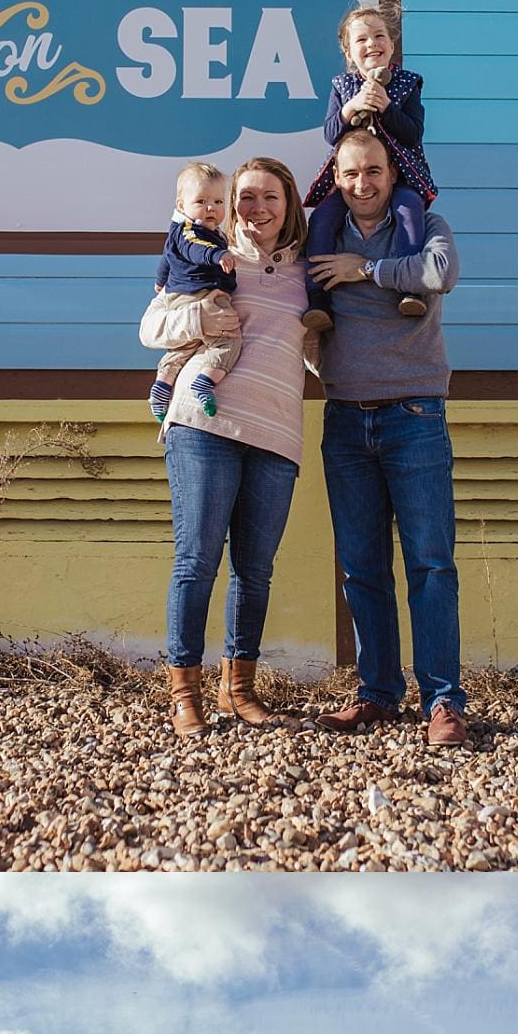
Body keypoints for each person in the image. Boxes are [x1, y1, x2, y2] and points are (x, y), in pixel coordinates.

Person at [139, 156, 312, 735]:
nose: (257, 208)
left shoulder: (307, 271)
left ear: (289, 204)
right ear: (228, 204)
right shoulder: (211, 260)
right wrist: (203, 314)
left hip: (277, 431)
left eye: (270, 197)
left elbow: (319, 351)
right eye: (246, 198)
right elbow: (150, 330)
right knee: (197, 561)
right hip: (204, 425)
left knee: (255, 572)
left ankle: (237, 690)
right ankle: (183, 691)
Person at [309, 127, 468, 749]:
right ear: (337, 176)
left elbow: (440, 272)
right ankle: (377, 693)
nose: (362, 183)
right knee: (361, 566)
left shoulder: (425, 225)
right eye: (350, 173)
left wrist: (366, 269)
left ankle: (443, 701)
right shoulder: (324, 231)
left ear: (391, 173)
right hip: (346, 417)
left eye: (372, 171)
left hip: (415, 415)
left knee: (431, 563)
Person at [302, 0, 435, 332]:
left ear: (391, 45)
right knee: (322, 218)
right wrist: (351, 110)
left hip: (399, 173)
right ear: (349, 53)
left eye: (379, 36)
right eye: (361, 40)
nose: (371, 44)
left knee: (408, 209)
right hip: (355, 177)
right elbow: (332, 134)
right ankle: (318, 298)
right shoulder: (342, 87)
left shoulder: (407, 84)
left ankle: (409, 289)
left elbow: (413, 133)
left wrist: (388, 108)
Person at [148, 160, 241, 422]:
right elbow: (194, 248)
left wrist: (161, 280)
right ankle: (205, 381)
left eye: (218, 202)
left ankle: (162, 386)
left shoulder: (180, 231)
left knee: (184, 346)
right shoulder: (191, 232)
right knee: (228, 339)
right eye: (201, 201)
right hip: (201, 294)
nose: (211, 208)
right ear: (182, 206)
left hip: (181, 296)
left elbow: (167, 256)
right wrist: (217, 254)